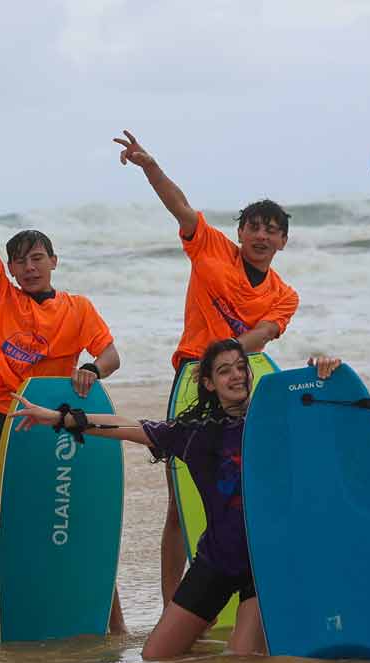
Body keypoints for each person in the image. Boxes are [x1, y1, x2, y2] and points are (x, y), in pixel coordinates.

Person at [10, 340, 343, 659]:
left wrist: (324, 371)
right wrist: (60, 418)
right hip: (217, 560)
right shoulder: (197, 433)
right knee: (156, 656)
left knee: (242, 662)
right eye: (225, 370)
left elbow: (319, 414)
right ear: (209, 383)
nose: (237, 375)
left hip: (265, 563)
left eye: (241, 367)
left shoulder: (274, 421)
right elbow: (129, 427)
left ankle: (269, 636)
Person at [114, 130, 299, 604]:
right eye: (253, 226)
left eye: (271, 229)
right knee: (179, 503)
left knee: (246, 493)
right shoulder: (210, 246)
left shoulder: (284, 295)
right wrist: (150, 165)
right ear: (240, 233)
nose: (261, 235)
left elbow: (261, 337)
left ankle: (253, 593)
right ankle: (169, 602)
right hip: (192, 383)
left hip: (239, 389)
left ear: (282, 240)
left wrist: (227, 361)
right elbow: (179, 205)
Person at [0, 142, 126, 634]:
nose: (29, 267)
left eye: (37, 258)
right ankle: (31, 610)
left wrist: (93, 368)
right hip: (11, 421)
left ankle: (110, 620)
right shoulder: (2, 298)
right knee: (27, 517)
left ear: (53, 260)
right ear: (9, 270)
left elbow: (111, 355)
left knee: (82, 518)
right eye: (20, 261)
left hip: (66, 419)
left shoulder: (78, 308)